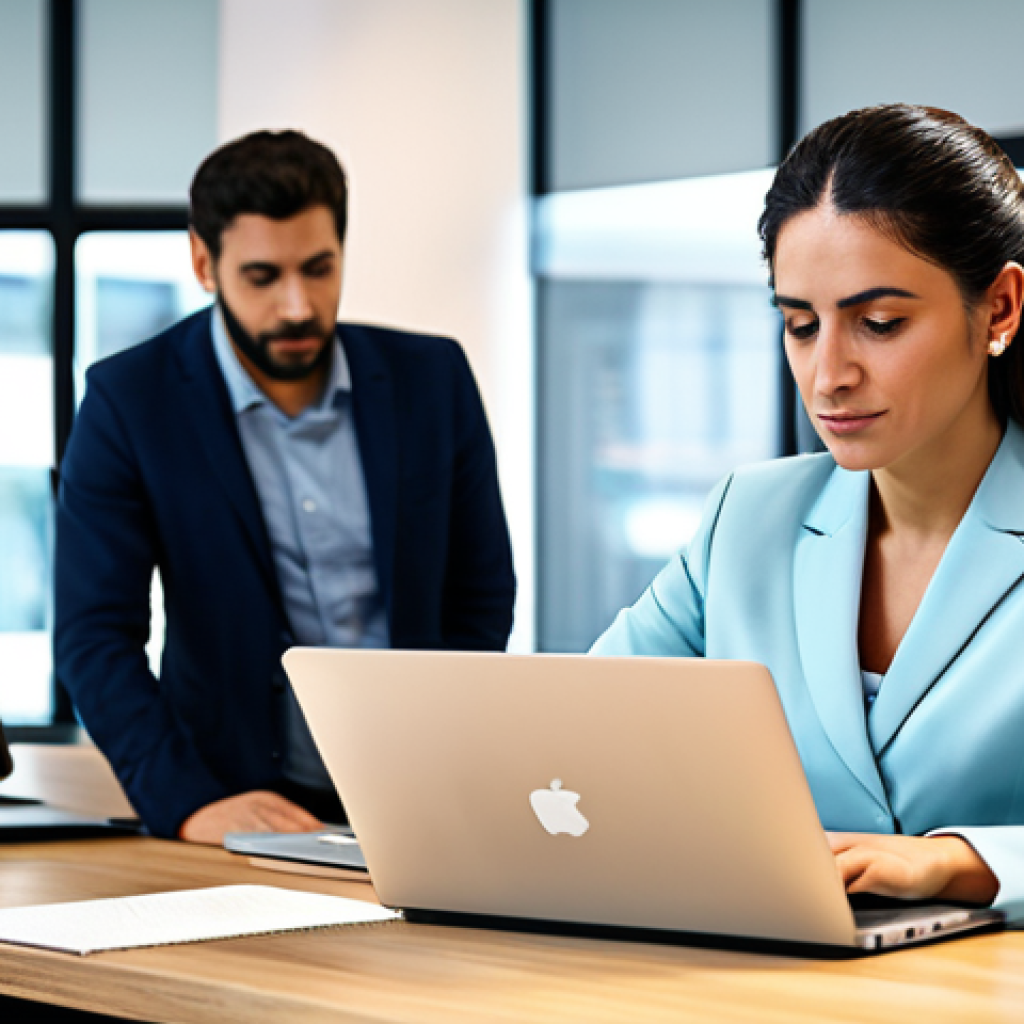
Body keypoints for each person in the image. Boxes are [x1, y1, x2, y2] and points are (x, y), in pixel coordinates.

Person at [592, 104, 1024, 923]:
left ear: (998, 310)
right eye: (799, 324)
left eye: (880, 323)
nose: (828, 374)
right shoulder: (746, 519)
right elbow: (570, 737)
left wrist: (964, 861)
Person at [55, 131, 516, 844]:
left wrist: (438, 756)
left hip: (420, 796)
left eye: (319, 268)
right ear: (204, 263)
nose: (299, 306)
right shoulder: (129, 402)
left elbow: (480, 595)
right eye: (263, 277)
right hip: (230, 803)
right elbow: (95, 638)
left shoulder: (433, 379)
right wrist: (187, 801)